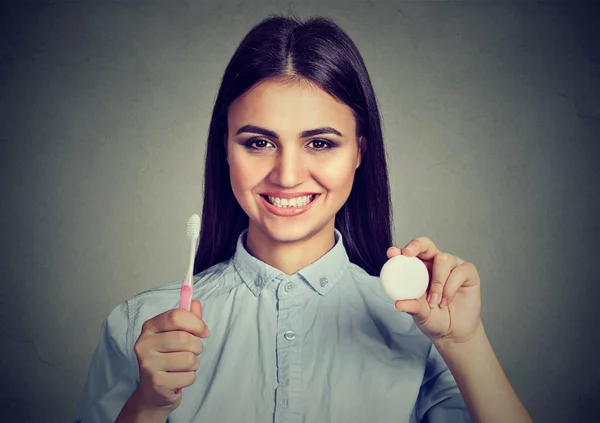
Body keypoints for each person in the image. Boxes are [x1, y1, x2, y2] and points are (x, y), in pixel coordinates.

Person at [75, 14, 533, 423]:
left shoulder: (421, 328)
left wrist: (466, 344)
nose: (288, 175)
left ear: (360, 152)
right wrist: (148, 408)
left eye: (320, 143)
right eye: (258, 142)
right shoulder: (139, 326)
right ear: (224, 150)